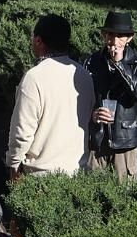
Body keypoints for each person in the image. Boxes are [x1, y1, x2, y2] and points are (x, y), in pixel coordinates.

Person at [6, 14, 94, 179]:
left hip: (42, 175)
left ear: (38, 40)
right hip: (78, 171)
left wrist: (13, 163)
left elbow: (22, 132)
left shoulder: (34, 77)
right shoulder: (83, 74)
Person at [86, 10, 137, 181]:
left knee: (125, 193)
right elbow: (80, 99)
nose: (114, 41)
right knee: (92, 191)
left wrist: (120, 64)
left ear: (130, 38)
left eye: (121, 36)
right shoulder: (91, 62)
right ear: (104, 35)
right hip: (97, 138)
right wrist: (92, 114)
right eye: (110, 35)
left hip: (125, 139)